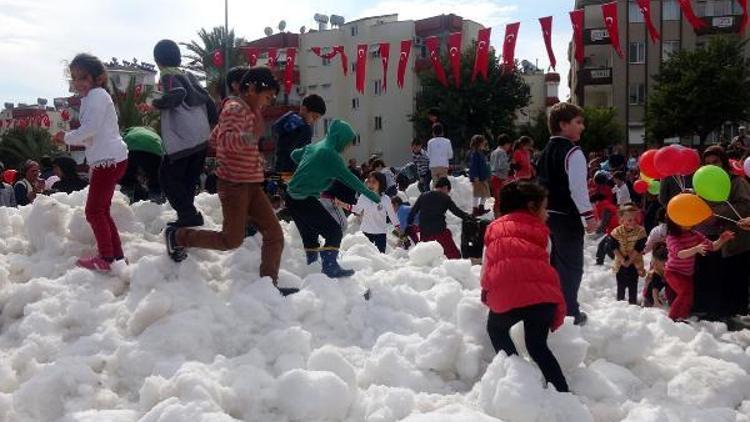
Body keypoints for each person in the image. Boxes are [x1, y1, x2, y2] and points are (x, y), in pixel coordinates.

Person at [164, 67, 292, 294]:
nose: (268, 102)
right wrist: (251, 137)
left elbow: (215, 137)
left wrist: (254, 158)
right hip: (234, 186)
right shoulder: (235, 108)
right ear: (252, 88)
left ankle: (268, 287)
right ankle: (179, 236)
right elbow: (224, 141)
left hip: (250, 184)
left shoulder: (249, 111)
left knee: (274, 234)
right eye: (267, 96)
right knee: (230, 240)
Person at [481, 181, 569, 392]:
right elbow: (549, 265)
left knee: (496, 329)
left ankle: (518, 381)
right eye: (544, 207)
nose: (546, 214)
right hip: (542, 298)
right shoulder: (543, 232)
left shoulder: (493, 228)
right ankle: (563, 393)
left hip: (507, 296)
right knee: (538, 347)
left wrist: (487, 293)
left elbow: (488, 264)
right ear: (531, 207)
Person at [52, 53, 129, 271]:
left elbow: (90, 130)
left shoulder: (96, 96)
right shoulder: (94, 97)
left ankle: (106, 258)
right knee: (101, 210)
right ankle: (116, 257)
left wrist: (65, 136)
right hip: (109, 159)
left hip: (108, 160)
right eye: (75, 78)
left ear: (98, 78)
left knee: (94, 211)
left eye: (83, 77)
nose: (78, 83)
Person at [285, 119, 380, 278]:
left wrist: (309, 166)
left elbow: (294, 155)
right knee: (334, 231)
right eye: (347, 142)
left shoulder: (313, 147)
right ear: (339, 138)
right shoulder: (331, 155)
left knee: (310, 235)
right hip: (304, 199)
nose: (347, 147)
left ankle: (312, 267)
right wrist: (374, 197)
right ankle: (329, 267)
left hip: (291, 196)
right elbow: (353, 181)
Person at [536, 103, 597, 326]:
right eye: (578, 122)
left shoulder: (544, 152)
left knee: (551, 265)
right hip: (566, 216)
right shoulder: (573, 151)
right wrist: (588, 216)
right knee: (571, 267)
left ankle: (551, 308)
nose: (583, 127)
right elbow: (578, 188)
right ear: (563, 125)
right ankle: (569, 311)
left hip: (544, 216)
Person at [152, 39, 217, 228]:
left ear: (158, 61)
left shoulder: (167, 75)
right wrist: (212, 124)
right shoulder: (189, 76)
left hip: (183, 141)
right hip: (200, 139)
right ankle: (186, 216)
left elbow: (177, 94)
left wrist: (155, 104)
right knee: (188, 179)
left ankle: (188, 214)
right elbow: (209, 101)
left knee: (167, 178)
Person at [703, 145, 750, 318]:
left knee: (737, 277)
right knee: (723, 277)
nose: (713, 166)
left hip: (739, 239)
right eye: (708, 163)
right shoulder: (708, 183)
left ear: (723, 162)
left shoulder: (737, 181)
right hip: (719, 238)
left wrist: (716, 213)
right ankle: (725, 311)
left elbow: (745, 206)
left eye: (716, 162)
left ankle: (738, 314)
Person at [665, 216, 734, 321]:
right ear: (674, 222)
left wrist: (722, 239)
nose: (689, 222)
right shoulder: (672, 237)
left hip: (687, 274)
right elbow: (680, 254)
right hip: (673, 272)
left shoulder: (695, 235)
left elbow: (713, 246)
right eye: (684, 220)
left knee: (688, 297)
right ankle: (671, 319)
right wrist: (696, 249)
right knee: (685, 292)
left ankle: (682, 318)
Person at [407, 177, 471, 260]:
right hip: (440, 231)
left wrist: (410, 222)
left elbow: (413, 212)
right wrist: (468, 217)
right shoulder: (445, 198)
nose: (448, 193)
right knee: (453, 254)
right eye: (448, 191)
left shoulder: (423, 196)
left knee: (425, 255)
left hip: (424, 231)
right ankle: (457, 267)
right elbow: (456, 211)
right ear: (445, 187)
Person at [336, 172, 399, 253]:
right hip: (366, 232)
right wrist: (341, 204)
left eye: (374, 182)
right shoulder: (363, 196)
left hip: (380, 233)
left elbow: (392, 216)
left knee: (380, 257)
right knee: (366, 257)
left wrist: (401, 234)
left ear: (381, 183)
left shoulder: (386, 199)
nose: (371, 184)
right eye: (369, 182)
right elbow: (357, 209)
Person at [273, 94, 327, 179]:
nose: (314, 121)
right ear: (303, 109)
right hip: (293, 173)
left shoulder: (289, 118)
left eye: (317, 119)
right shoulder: (305, 128)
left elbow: (275, 128)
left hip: (279, 169)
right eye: (314, 117)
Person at [609, 204, 647, 304]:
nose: (633, 222)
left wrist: (629, 261)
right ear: (622, 220)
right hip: (620, 263)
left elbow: (638, 247)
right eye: (630, 220)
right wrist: (622, 260)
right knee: (620, 284)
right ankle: (620, 301)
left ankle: (632, 302)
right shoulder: (616, 232)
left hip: (634, 262)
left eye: (635, 219)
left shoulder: (640, 231)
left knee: (633, 284)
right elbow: (614, 247)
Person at [120, 126, 163, 203]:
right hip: (155, 151)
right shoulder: (154, 134)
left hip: (132, 149)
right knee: (155, 179)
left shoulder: (130, 131)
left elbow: (120, 141)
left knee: (127, 178)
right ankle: (157, 202)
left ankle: (127, 199)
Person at [592, 193, 619, 265]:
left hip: (615, 231)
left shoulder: (605, 208)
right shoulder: (608, 206)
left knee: (607, 247)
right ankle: (599, 262)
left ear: (597, 201)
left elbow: (604, 223)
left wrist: (594, 234)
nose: (593, 206)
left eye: (593, 203)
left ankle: (620, 263)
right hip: (614, 230)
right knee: (601, 246)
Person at [468, 135, 491, 216]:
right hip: (478, 177)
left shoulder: (480, 152)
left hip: (482, 176)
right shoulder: (475, 153)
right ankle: (475, 209)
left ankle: (481, 207)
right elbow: (474, 166)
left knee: (484, 193)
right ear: (479, 143)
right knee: (477, 193)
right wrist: (475, 176)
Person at [489, 134, 512, 217]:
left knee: (497, 199)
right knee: (500, 200)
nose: (509, 147)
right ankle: (499, 217)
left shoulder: (494, 152)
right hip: (499, 177)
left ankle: (496, 216)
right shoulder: (502, 152)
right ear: (505, 144)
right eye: (509, 145)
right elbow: (501, 165)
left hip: (494, 176)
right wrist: (509, 164)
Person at [642, 242, 668, 308]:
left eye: (667, 261)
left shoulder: (664, 272)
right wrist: (656, 302)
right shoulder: (655, 274)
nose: (665, 264)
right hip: (650, 299)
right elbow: (654, 290)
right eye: (663, 263)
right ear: (656, 261)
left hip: (657, 297)